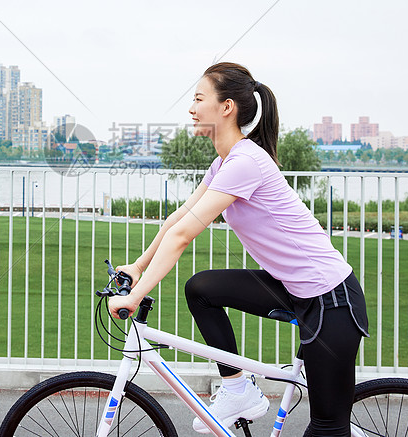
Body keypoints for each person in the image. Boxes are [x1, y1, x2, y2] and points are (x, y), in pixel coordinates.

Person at [108, 62, 369, 436]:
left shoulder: (246, 162)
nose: (191, 108)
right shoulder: (224, 163)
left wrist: (136, 296)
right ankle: (236, 389)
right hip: (296, 289)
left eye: (199, 99)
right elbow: (178, 219)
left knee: (327, 427)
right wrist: (137, 266)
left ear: (226, 107)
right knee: (201, 290)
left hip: (331, 300)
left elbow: (184, 237)